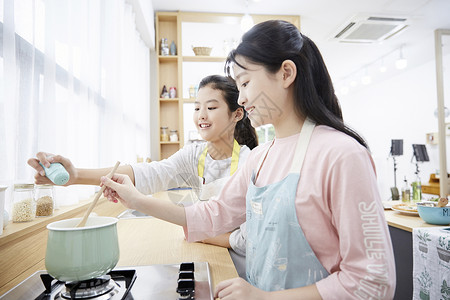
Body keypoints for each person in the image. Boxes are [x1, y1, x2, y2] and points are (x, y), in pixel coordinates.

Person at [97, 20, 396, 299]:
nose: (240, 98)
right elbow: (215, 213)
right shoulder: (262, 157)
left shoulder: (342, 155)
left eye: (245, 83)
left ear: (286, 73)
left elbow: (372, 280)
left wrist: (264, 298)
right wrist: (136, 200)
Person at [28, 75, 257, 277]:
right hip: (207, 255)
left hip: (241, 267)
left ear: (237, 114)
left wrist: (205, 235)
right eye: (197, 108)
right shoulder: (194, 155)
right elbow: (147, 174)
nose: (201, 115)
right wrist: (75, 176)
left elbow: (248, 239)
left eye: (212, 107)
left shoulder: (250, 162)